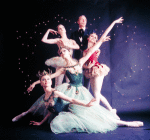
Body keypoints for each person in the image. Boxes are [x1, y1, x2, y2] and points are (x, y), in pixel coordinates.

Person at [12, 70, 95, 124]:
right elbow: (50, 111)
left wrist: (86, 104)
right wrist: (40, 122)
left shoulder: (55, 92)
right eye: (43, 79)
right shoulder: (45, 96)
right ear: (40, 83)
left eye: (48, 79)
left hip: (66, 115)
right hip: (57, 115)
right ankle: (24, 114)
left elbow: (71, 99)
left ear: (51, 81)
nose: (46, 81)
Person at [70, 15, 96, 89]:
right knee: (77, 76)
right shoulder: (73, 34)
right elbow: (71, 47)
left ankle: (86, 96)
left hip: (87, 56)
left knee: (87, 77)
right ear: (78, 22)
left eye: (85, 19)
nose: (84, 21)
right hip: (77, 57)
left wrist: (97, 51)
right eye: (82, 19)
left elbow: (95, 43)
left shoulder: (91, 31)